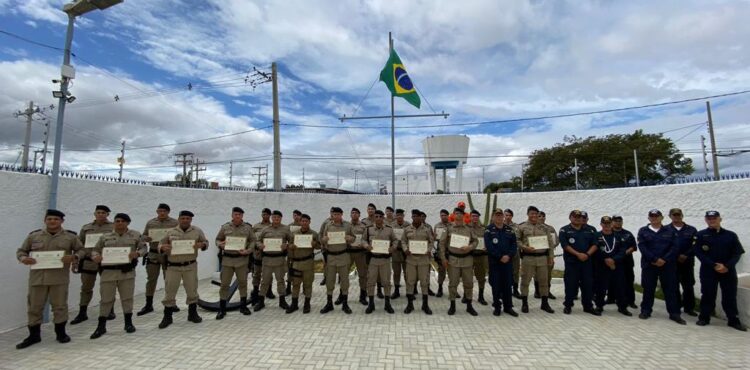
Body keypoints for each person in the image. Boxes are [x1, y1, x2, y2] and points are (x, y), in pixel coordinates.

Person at [16, 209, 84, 349]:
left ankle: (61, 333)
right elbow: (21, 251)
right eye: (49, 219)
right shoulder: (34, 236)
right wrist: (24, 258)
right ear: (45, 220)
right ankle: (34, 336)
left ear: (61, 221)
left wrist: (74, 257)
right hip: (37, 279)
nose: (52, 221)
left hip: (59, 279)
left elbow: (81, 250)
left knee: (59, 307)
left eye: (56, 219)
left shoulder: (70, 237)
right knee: (34, 307)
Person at [89, 213, 147, 339]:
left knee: (127, 298)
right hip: (108, 272)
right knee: (106, 299)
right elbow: (95, 250)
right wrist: (95, 257)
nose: (120, 223)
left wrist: (137, 254)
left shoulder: (135, 235)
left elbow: (144, 248)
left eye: (123, 221)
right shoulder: (105, 236)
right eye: (117, 221)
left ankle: (128, 323)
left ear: (128, 223)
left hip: (126, 272)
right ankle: (101, 326)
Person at [695, 211, 746, 331]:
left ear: (720, 219)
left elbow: (737, 253)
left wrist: (727, 266)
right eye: (709, 218)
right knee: (708, 294)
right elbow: (699, 253)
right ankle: (704, 317)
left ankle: (733, 320)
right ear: (706, 220)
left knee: (730, 296)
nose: (712, 220)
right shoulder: (700, 235)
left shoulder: (731, 235)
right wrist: (713, 265)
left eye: (714, 218)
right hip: (708, 271)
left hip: (728, 271)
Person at [157, 210, 209, 329]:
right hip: (173, 266)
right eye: (183, 218)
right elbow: (160, 244)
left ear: (191, 220)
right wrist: (162, 248)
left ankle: (192, 314)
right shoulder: (171, 231)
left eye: (188, 218)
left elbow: (206, 242)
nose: (185, 220)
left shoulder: (197, 231)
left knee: (192, 290)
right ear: (179, 219)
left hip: (190, 266)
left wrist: (202, 245)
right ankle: (167, 316)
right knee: (170, 291)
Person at [637, 209, 685, 325]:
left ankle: (674, 313)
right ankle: (646, 311)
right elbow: (643, 247)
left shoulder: (670, 231)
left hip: (667, 265)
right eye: (652, 216)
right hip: (649, 265)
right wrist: (654, 259)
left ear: (662, 218)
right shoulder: (643, 231)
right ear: (649, 218)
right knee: (648, 289)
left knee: (670, 290)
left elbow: (674, 247)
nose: (654, 218)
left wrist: (664, 259)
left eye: (656, 216)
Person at [71, 205, 114, 325]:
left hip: (106, 261)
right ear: (95, 214)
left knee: (107, 287)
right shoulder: (86, 228)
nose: (101, 214)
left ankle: (110, 310)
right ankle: (82, 312)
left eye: (103, 213)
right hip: (89, 261)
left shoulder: (113, 227)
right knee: (86, 287)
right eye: (98, 212)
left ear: (108, 214)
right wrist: (76, 260)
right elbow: (79, 245)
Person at [214, 207, 255, 319]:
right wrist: (220, 244)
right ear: (232, 215)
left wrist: (248, 250)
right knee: (224, 284)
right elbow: (217, 239)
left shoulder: (247, 228)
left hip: (242, 260)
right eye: (236, 214)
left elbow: (252, 241)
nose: (237, 216)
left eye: (240, 214)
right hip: (227, 260)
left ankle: (243, 306)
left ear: (242, 216)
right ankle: (222, 309)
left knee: (243, 283)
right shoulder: (225, 227)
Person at [138, 203, 178, 316]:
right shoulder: (151, 223)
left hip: (168, 254)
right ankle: (148, 304)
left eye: (164, 211)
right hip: (154, 254)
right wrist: (146, 238)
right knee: (151, 280)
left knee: (169, 280)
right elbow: (143, 236)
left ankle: (171, 303)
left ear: (168, 212)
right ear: (157, 211)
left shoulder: (175, 223)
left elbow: (179, 235)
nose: (162, 213)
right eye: (160, 211)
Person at [559, 210, 600, 316]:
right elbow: (565, 245)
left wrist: (587, 255)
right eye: (575, 217)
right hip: (572, 263)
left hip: (586, 262)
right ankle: (568, 305)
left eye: (579, 217)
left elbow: (595, 244)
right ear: (570, 218)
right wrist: (578, 254)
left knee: (588, 285)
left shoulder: (590, 230)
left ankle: (588, 306)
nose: (577, 219)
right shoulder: (564, 230)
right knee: (570, 285)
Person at [516, 206, 555, 314]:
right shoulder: (521, 227)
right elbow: (517, 241)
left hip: (542, 258)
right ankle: (525, 303)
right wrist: (525, 247)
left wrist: (550, 257)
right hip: (528, 258)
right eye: (531, 213)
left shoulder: (544, 228)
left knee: (544, 281)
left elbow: (550, 243)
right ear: (528, 214)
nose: (534, 216)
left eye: (536, 214)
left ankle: (545, 303)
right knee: (525, 281)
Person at [440, 208, 479, 316]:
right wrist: (443, 258)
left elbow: (476, 241)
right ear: (453, 215)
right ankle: (452, 305)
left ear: (463, 215)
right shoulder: (448, 228)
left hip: (467, 259)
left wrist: (470, 247)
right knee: (453, 283)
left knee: (468, 283)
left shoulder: (468, 229)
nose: (458, 215)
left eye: (460, 213)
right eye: (456, 213)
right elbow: (442, 244)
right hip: (453, 260)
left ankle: (469, 305)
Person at [253, 210, 293, 312]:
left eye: (278, 217)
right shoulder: (265, 229)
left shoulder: (286, 229)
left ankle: (282, 301)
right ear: (272, 218)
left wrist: (287, 246)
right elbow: (257, 240)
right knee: (265, 281)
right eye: (274, 217)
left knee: (280, 281)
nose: (276, 219)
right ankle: (261, 301)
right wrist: (259, 245)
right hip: (267, 259)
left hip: (279, 259)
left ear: (281, 218)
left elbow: (292, 241)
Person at [592, 216, 631, 316]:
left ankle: (622, 307)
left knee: (620, 287)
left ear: (612, 224)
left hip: (617, 266)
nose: (607, 225)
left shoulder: (618, 236)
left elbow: (623, 251)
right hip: (601, 265)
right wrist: (605, 259)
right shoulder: (596, 235)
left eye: (609, 223)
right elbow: (595, 250)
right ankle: (599, 306)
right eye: (604, 223)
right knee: (600, 287)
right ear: (601, 224)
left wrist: (613, 260)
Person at [320, 207, 356, 314]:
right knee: (330, 281)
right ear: (332, 215)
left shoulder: (347, 225)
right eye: (334, 214)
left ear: (342, 214)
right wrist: (324, 240)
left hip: (343, 256)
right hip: (331, 257)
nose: (336, 216)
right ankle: (329, 303)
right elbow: (322, 239)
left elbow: (353, 238)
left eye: (338, 214)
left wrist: (349, 239)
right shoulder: (328, 225)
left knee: (344, 281)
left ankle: (345, 304)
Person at [485, 209, 519, 317]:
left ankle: (508, 307)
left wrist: (508, 256)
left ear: (503, 217)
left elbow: (514, 245)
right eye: (497, 215)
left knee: (507, 285)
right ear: (493, 217)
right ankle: (497, 307)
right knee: (496, 285)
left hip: (507, 263)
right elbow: (489, 247)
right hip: (495, 263)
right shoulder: (488, 230)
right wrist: (500, 257)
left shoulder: (510, 230)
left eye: (501, 216)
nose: (499, 217)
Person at [665, 208, 698, 317]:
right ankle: (676, 306)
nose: (676, 217)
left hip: (687, 262)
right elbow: (664, 246)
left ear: (682, 215)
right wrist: (674, 255)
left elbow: (695, 245)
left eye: (678, 215)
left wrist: (686, 255)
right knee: (673, 285)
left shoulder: (691, 230)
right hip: (672, 262)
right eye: (674, 215)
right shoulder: (665, 229)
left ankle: (689, 307)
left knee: (688, 285)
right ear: (670, 216)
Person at [362, 210, 397, 314]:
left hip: (385, 260)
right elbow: (363, 240)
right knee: (371, 282)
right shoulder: (368, 230)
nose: (378, 218)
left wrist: (393, 247)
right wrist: (366, 246)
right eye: (376, 217)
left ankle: (387, 303)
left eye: (380, 217)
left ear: (383, 218)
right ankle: (371, 304)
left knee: (386, 282)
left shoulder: (389, 230)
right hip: (373, 259)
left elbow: (395, 240)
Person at [403, 209, 435, 315]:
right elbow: (403, 241)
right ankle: (410, 305)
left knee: (424, 282)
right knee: (410, 281)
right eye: (413, 216)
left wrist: (429, 250)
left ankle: (425, 305)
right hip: (411, 260)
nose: (415, 218)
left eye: (417, 216)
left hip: (423, 260)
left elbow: (431, 242)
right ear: (411, 217)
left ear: (420, 217)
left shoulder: (426, 229)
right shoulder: (407, 229)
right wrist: (405, 249)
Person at [287, 214, 320, 314]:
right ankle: (294, 304)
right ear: (300, 222)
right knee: (295, 284)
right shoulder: (294, 234)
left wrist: (315, 244)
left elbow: (320, 246)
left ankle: (307, 304)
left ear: (309, 222)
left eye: (306, 221)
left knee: (308, 284)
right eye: (303, 221)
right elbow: (289, 247)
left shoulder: (314, 234)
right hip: (296, 262)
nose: (304, 223)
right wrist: (291, 247)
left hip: (308, 262)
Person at [611, 215, 638, 309]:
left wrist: (624, 253)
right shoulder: (608, 233)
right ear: (612, 222)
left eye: (619, 221)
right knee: (612, 281)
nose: (618, 222)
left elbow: (634, 247)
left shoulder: (628, 234)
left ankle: (631, 301)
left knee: (629, 282)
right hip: (613, 262)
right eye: (615, 221)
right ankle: (611, 298)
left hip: (626, 262)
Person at [347, 208, 369, 306]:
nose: (354, 214)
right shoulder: (346, 226)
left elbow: (367, 238)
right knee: (344, 275)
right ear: (350, 215)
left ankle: (363, 295)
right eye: (352, 213)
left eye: (356, 213)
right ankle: (342, 295)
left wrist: (364, 244)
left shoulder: (364, 226)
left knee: (363, 275)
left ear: (359, 215)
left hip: (361, 253)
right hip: (349, 253)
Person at [251, 208, 273, 304]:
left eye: (267, 214)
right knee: (256, 273)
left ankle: (269, 290)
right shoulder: (256, 226)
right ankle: (255, 291)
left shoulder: (273, 226)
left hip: (269, 254)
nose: (265, 216)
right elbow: (251, 238)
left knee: (269, 274)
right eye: (263, 214)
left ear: (270, 216)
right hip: (258, 253)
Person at [535, 211, 558, 299]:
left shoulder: (550, 228)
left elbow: (556, 240)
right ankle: (537, 292)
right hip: (537, 254)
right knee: (537, 274)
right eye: (539, 216)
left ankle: (547, 291)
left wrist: (550, 246)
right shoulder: (533, 228)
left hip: (548, 254)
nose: (541, 218)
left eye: (543, 216)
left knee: (548, 274)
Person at [469, 210, 489, 305]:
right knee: (467, 277)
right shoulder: (466, 228)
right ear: (470, 217)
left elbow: (488, 240)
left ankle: (481, 296)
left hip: (481, 256)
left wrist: (487, 247)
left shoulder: (483, 229)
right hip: (469, 256)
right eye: (473, 216)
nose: (475, 218)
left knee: (481, 277)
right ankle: (466, 295)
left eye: (476, 216)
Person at [390, 209, 410, 299]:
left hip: (406, 252)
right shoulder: (392, 226)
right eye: (397, 215)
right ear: (395, 216)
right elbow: (389, 237)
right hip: (396, 252)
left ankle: (409, 291)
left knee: (407, 273)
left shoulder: (408, 225)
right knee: (396, 272)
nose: (399, 217)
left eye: (401, 215)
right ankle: (396, 290)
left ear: (403, 216)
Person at [433, 209, 452, 297]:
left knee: (453, 272)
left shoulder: (453, 225)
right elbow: (435, 239)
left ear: (448, 216)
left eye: (445, 215)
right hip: (441, 251)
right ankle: (440, 288)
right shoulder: (437, 226)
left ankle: (453, 289)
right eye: (442, 215)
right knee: (441, 271)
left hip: (451, 251)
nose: (443, 217)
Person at [504, 209, 522, 299]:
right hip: (503, 253)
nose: (508, 217)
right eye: (506, 215)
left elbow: (518, 238)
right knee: (504, 272)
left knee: (515, 271)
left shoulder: (516, 226)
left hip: (515, 253)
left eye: (509, 215)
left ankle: (515, 290)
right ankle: (505, 290)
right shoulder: (500, 225)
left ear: (512, 216)